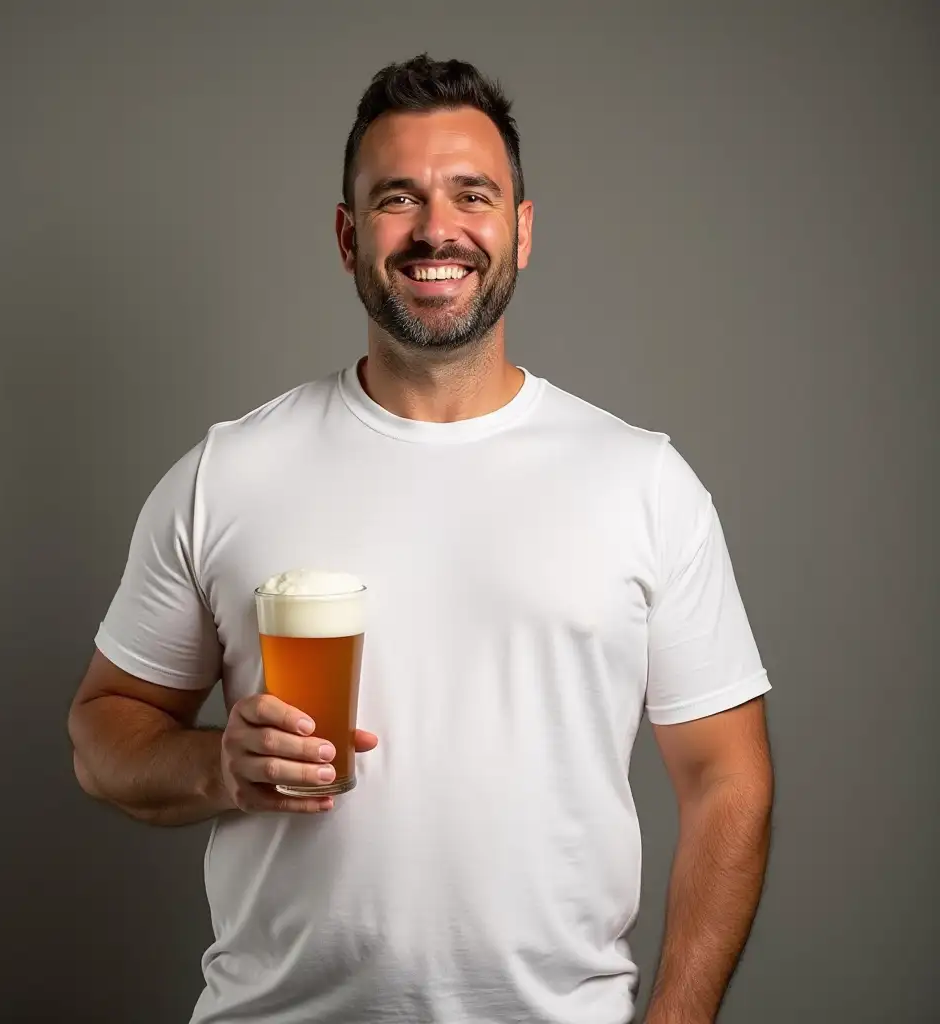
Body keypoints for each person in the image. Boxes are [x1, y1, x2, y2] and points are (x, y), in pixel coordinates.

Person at [68, 54, 774, 1024]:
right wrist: (213, 765)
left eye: (471, 195)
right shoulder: (230, 470)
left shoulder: (641, 481)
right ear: (348, 236)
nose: (437, 229)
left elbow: (727, 776)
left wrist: (679, 1018)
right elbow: (101, 731)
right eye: (398, 199)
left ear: (519, 231)